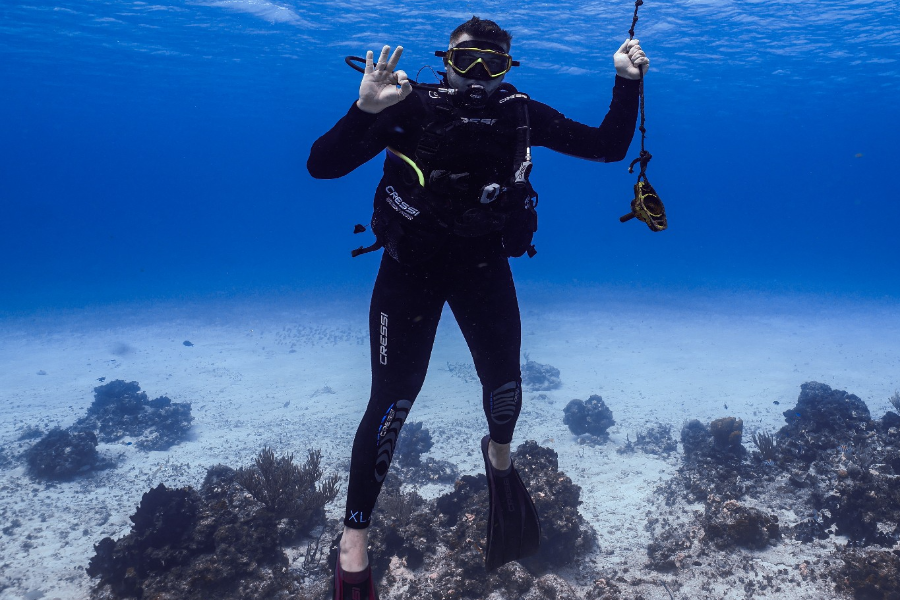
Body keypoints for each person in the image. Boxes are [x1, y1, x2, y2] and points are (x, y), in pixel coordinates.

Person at [307, 16, 649, 600]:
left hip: (483, 268)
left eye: (493, 64)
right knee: (391, 399)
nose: (480, 75)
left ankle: (499, 458)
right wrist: (365, 111)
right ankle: (353, 540)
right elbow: (322, 165)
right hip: (408, 270)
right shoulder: (407, 105)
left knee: (505, 385)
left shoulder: (519, 113)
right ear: (445, 60)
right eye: (467, 61)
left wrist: (626, 81)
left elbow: (608, 146)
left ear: (507, 68)